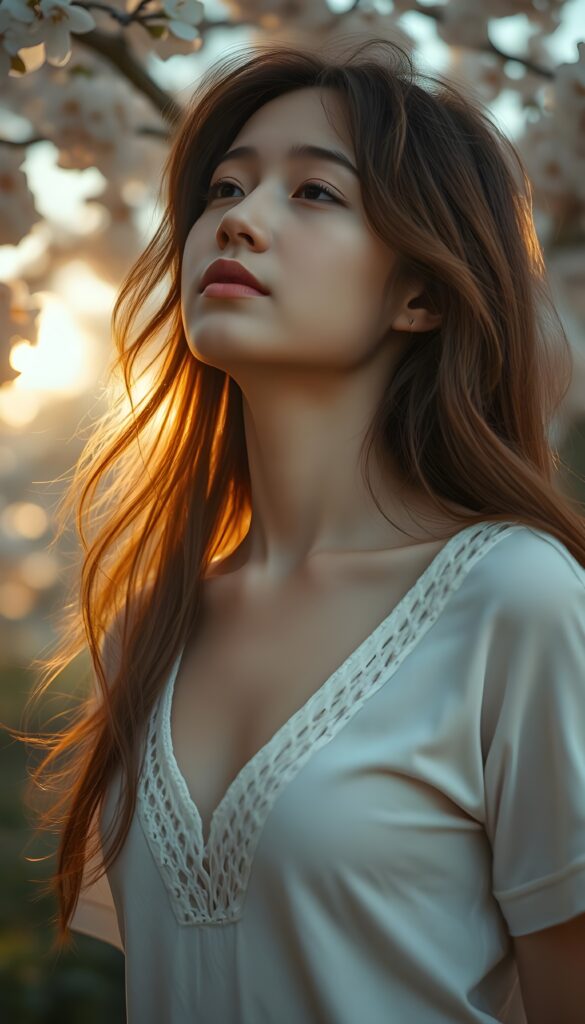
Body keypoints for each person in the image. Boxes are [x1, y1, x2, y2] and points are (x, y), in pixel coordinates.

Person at [17, 37, 585, 1024]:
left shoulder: (517, 602)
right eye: (225, 188)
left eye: (314, 193)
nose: (239, 220)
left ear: (421, 294)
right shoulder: (152, 625)